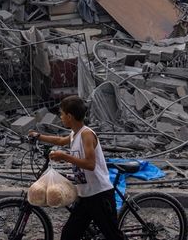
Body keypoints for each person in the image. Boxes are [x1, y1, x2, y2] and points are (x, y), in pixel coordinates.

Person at [28, 96, 124, 240]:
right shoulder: (75, 133)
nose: (60, 117)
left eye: (62, 114)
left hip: (99, 194)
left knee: (113, 236)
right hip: (85, 195)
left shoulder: (86, 134)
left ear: (69, 116)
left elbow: (90, 164)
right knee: (69, 235)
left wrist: (64, 157)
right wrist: (39, 136)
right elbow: (60, 140)